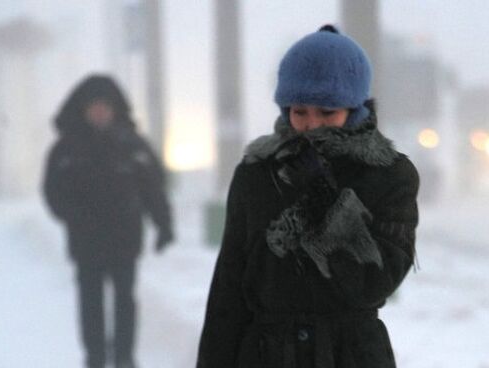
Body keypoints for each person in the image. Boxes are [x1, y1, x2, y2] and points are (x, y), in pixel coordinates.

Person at [196, 25, 419, 368]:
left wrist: (323, 201)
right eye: (300, 111)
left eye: (327, 112)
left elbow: (375, 282)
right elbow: (229, 290)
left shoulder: (388, 175)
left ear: (354, 108)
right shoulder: (257, 173)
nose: (311, 124)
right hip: (266, 354)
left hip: (350, 355)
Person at [43, 74, 174, 368]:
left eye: (105, 106)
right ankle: (95, 358)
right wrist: (75, 217)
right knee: (91, 302)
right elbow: (53, 192)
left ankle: (125, 357)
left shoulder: (133, 146)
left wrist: (163, 224)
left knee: (124, 300)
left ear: (115, 109)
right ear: (83, 109)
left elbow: (153, 187)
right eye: (94, 106)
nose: (100, 112)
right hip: (85, 241)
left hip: (125, 238)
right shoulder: (66, 149)